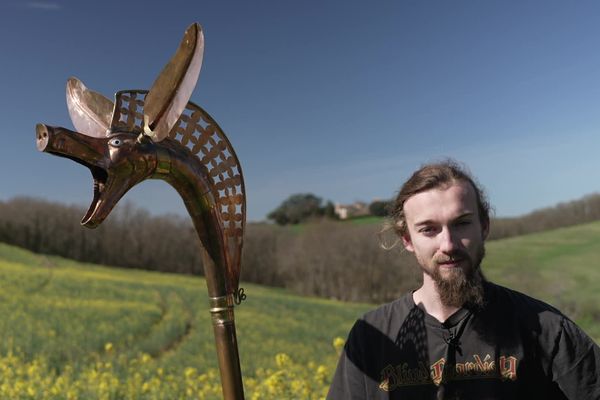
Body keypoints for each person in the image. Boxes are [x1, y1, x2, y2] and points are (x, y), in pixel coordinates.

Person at [328, 160, 600, 399]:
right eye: (429, 229)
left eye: (461, 224)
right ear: (408, 239)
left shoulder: (545, 330)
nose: (448, 244)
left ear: (484, 227)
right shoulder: (371, 336)